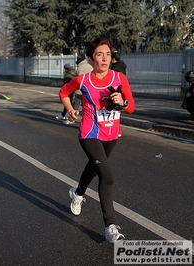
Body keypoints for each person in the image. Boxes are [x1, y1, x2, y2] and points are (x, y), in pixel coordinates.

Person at [59, 38, 135, 243]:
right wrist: (71, 110)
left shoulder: (120, 78)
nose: (104, 58)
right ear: (92, 60)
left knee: (93, 168)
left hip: (111, 134)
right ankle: (110, 226)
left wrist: (122, 101)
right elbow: (64, 92)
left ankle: (78, 193)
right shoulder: (83, 80)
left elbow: (131, 107)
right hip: (89, 133)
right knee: (107, 176)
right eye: (99, 55)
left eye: (107, 54)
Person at [111, 52, 127, 136]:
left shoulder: (116, 69)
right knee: (116, 111)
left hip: (116, 91)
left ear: (113, 59)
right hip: (119, 91)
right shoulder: (121, 66)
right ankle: (117, 130)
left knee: (114, 111)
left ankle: (117, 130)